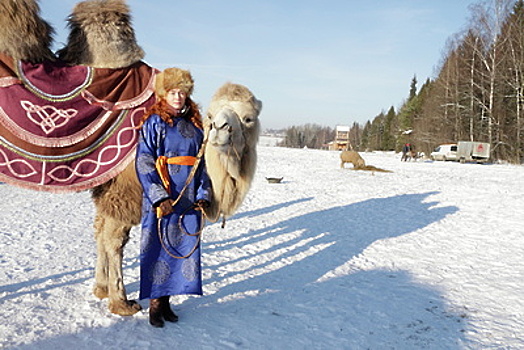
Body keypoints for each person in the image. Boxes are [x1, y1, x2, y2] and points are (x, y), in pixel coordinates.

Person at [135, 67, 211, 328]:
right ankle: (156, 304)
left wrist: (203, 195)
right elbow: (144, 160)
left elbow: (203, 164)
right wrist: (158, 197)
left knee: (180, 249)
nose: (178, 97)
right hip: (164, 195)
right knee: (159, 245)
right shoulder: (154, 122)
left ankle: (168, 302)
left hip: (188, 197)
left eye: (182, 92)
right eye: (173, 92)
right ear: (163, 94)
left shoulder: (195, 125)